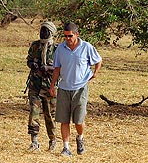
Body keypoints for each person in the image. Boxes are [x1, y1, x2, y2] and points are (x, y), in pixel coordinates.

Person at [49, 22, 102, 157]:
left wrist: (95, 73)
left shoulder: (86, 47)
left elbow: (98, 60)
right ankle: (66, 148)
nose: (67, 39)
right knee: (63, 119)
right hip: (64, 88)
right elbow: (57, 68)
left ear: (77, 34)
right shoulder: (60, 49)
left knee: (78, 121)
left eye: (70, 36)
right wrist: (52, 85)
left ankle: (80, 137)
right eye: (65, 36)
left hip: (80, 88)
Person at [26, 21, 58, 152]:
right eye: (41, 30)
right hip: (35, 84)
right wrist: (33, 65)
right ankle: (34, 142)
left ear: (51, 33)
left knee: (50, 115)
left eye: (45, 31)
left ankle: (53, 141)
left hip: (50, 86)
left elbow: (61, 68)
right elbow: (28, 60)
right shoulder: (35, 46)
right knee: (34, 112)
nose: (42, 33)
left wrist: (48, 68)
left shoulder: (57, 49)